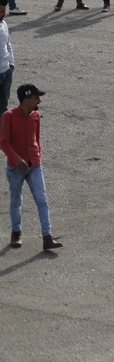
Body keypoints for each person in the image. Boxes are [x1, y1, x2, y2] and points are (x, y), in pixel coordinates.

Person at [4, 84, 62, 251]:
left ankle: (47, 236)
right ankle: (16, 233)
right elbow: (3, 142)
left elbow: (37, 138)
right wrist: (16, 160)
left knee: (42, 200)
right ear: (26, 99)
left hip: (34, 165)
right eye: (36, 98)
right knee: (16, 201)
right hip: (16, 168)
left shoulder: (35, 115)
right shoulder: (9, 116)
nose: (39, 100)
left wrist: (37, 157)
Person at [0, 0, 12, 108]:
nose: (2, 13)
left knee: (4, 106)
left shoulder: (4, 24)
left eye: (3, 11)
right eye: (0, 11)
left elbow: (8, 44)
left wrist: (11, 63)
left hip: (6, 71)